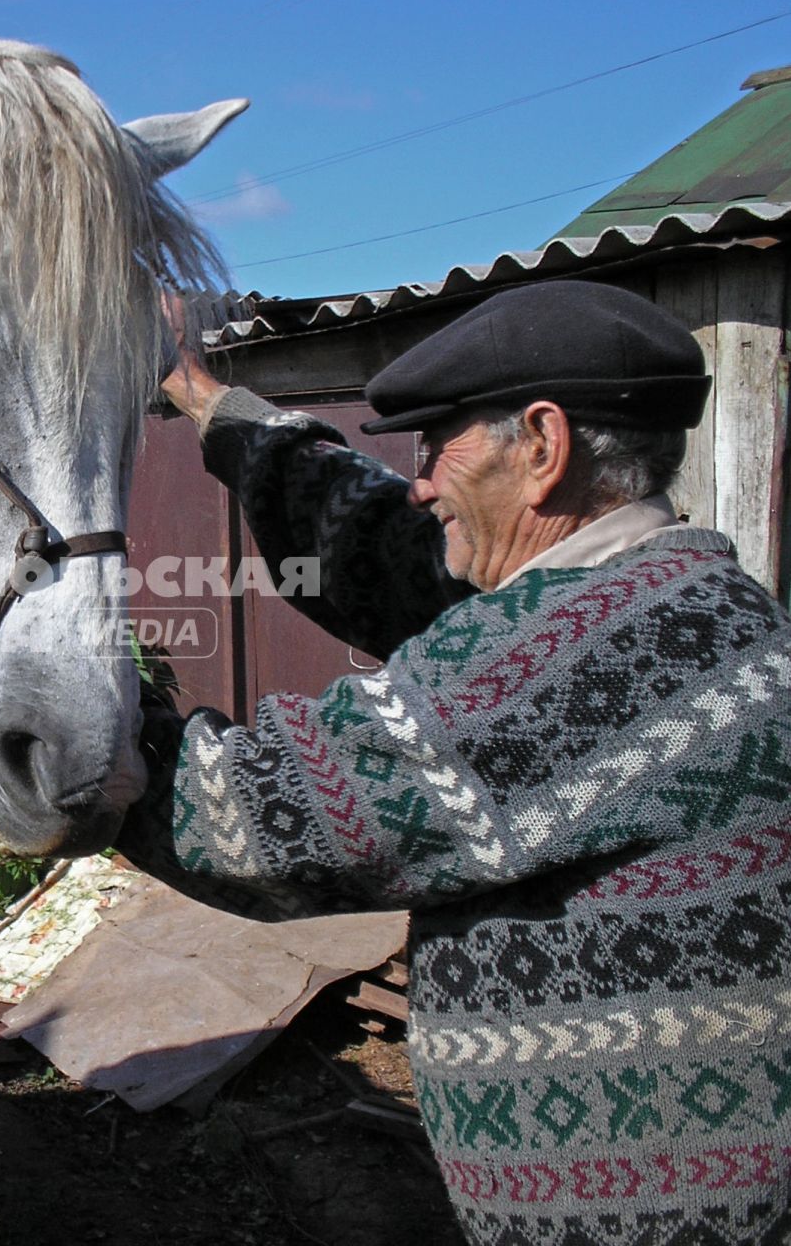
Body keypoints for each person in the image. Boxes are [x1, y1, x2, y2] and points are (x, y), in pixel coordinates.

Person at [119, 280, 791, 1245]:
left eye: (440, 445)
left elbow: (244, 819)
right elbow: (371, 539)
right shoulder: (676, 594)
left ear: (545, 447)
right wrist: (196, 392)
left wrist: (1, 688)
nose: (422, 479)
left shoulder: (587, 648)